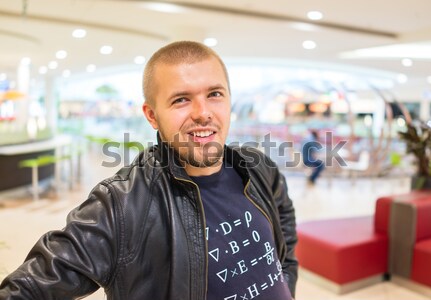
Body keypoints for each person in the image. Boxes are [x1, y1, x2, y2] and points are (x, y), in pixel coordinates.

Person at [0, 41, 298, 299]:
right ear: (152, 115)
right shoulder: (121, 204)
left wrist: (286, 285)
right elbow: (29, 288)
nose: (203, 112)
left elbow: (284, 223)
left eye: (215, 94)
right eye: (181, 99)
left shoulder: (258, 168)